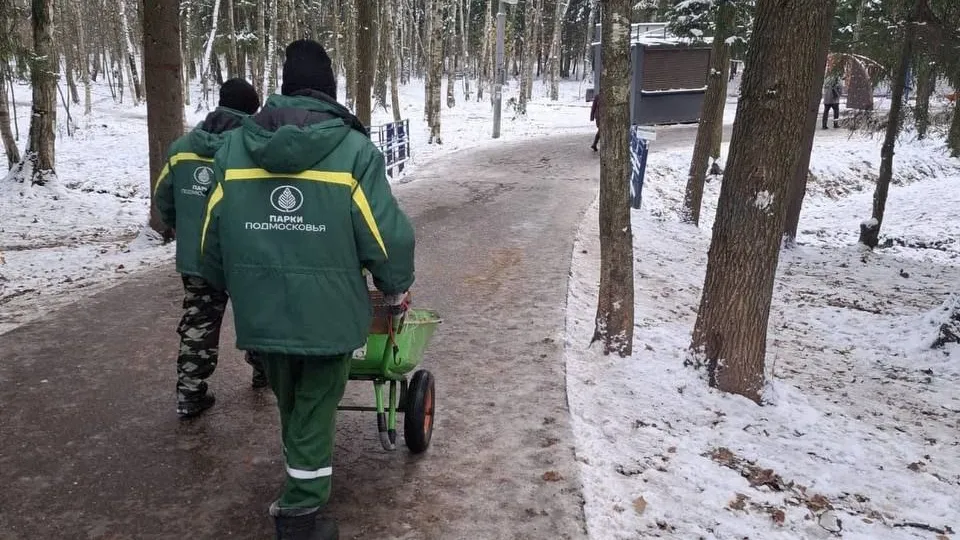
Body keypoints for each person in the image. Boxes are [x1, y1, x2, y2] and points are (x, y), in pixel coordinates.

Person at [199, 40, 415, 540]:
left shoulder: (233, 148)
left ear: (284, 88)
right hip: (329, 314)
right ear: (331, 90)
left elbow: (211, 232)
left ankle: (300, 480)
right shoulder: (354, 152)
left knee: (293, 398)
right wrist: (394, 287)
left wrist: (226, 282)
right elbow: (386, 237)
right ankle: (299, 514)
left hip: (263, 312)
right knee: (316, 402)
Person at [154, 78, 268, 419]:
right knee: (260, 314)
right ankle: (266, 373)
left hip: (197, 256)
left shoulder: (181, 148)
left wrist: (183, 227)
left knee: (199, 321)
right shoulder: (252, 148)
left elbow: (164, 198)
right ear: (252, 110)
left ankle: (190, 392)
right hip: (246, 254)